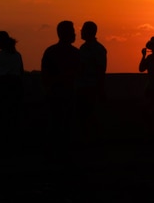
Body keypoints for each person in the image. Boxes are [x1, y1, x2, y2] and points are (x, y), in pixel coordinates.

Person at [41, 21, 80, 155]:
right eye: (73, 31)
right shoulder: (75, 53)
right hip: (66, 93)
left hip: (54, 93)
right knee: (67, 125)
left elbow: (44, 75)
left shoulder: (50, 51)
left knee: (55, 124)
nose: (75, 34)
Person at [77, 21, 107, 145]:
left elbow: (100, 70)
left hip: (90, 87)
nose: (81, 32)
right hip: (86, 86)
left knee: (89, 116)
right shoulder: (86, 48)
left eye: (83, 29)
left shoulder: (95, 49)